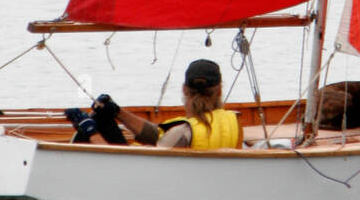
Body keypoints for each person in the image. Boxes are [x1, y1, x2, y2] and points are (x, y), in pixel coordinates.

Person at [72, 59, 242, 149]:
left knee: (98, 124)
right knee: (106, 117)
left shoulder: (183, 132)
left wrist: (91, 132)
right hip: (204, 183)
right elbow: (161, 137)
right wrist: (118, 112)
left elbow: (127, 170)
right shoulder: (234, 122)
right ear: (219, 91)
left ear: (184, 90)